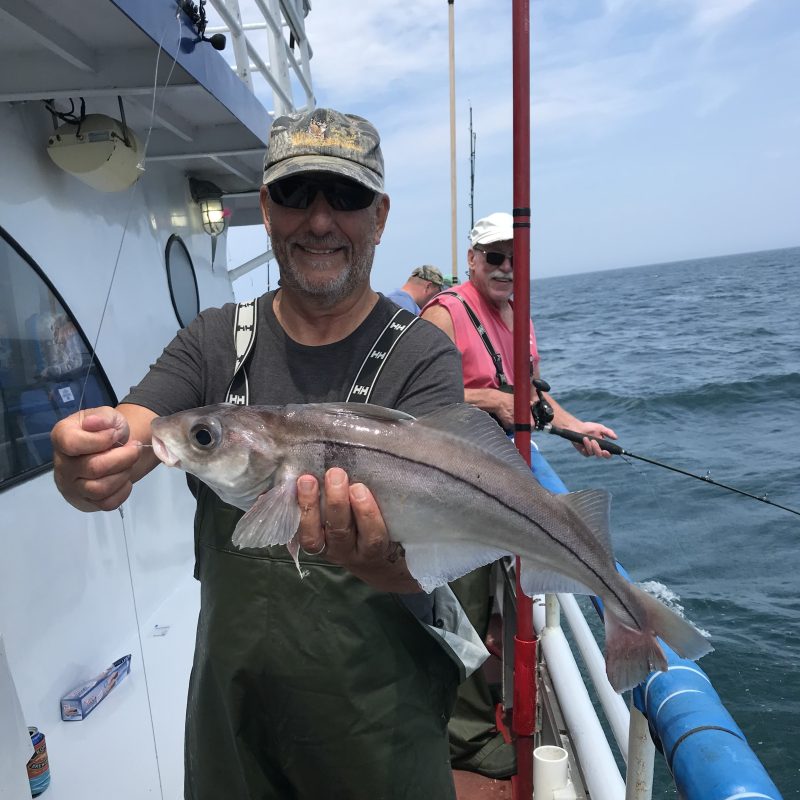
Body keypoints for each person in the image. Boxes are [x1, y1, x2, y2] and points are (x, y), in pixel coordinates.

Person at [50, 108, 484, 800]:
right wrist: (91, 464)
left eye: (344, 197)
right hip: (235, 713)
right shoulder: (216, 339)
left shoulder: (421, 352)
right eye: (295, 194)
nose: (319, 220)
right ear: (265, 207)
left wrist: (377, 560)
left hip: (378, 718)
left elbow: (426, 570)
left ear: (380, 215)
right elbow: (142, 427)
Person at [421, 211, 618, 779]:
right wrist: (494, 402)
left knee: (489, 604)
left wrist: (575, 426)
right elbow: (427, 397)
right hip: (453, 484)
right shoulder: (445, 313)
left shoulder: (520, 315)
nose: (506, 268)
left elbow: (531, 394)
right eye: (495, 256)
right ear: (471, 260)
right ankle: (464, 738)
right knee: (458, 606)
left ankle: (471, 710)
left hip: (506, 480)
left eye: (516, 258)